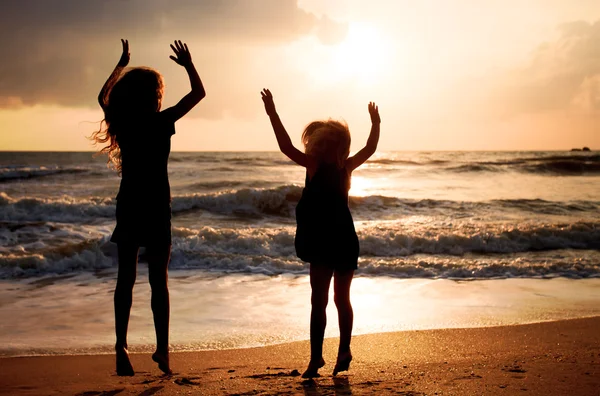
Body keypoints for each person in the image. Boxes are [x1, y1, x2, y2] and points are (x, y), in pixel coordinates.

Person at [92, 39, 205, 376]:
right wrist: (188, 65)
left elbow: (102, 97)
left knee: (125, 278)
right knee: (159, 281)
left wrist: (121, 64)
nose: (161, 99)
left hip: (129, 204)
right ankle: (163, 351)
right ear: (153, 98)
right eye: (159, 94)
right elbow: (198, 94)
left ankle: (121, 346)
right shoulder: (161, 121)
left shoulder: (123, 123)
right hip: (157, 207)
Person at [260, 89, 380, 378]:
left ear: (338, 148)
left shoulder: (328, 166)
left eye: (331, 145)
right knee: (333, 300)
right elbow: (287, 146)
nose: (326, 150)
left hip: (330, 239)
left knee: (327, 300)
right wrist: (272, 113)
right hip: (338, 238)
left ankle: (329, 355)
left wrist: (376, 125)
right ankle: (330, 354)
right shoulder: (335, 166)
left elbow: (368, 149)